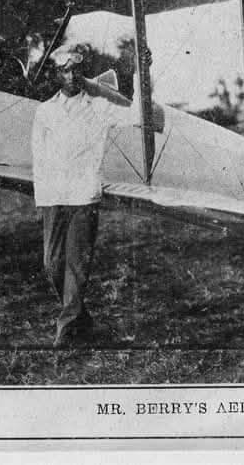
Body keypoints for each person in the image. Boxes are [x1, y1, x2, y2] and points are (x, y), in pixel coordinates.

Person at [30, 47, 163, 348]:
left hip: (84, 196)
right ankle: (81, 318)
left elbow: (138, 116)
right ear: (57, 74)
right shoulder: (44, 111)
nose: (72, 76)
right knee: (52, 264)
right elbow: (39, 156)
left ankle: (66, 330)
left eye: (77, 70)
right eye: (65, 70)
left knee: (76, 264)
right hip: (54, 197)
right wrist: (42, 199)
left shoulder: (99, 107)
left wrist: (141, 72)